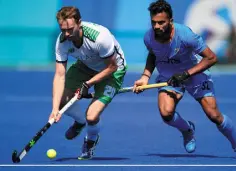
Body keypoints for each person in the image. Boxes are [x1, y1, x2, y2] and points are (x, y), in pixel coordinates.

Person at [133, 0, 236, 153]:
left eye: (161, 22)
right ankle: (187, 130)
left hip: (194, 72)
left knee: (214, 115)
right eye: (153, 22)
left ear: (171, 21)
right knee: (166, 113)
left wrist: (186, 74)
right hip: (170, 77)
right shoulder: (149, 37)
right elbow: (153, 55)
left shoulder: (186, 35)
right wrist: (145, 77)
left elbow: (211, 58)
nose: (156, 27)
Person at [49, 6, 127, 159]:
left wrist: (88, 84)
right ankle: (79, 121)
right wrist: (54, 109)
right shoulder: (62, 41)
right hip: (86, 65)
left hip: (112, 70)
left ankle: (90, 141)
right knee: (60, 101)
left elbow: (112, 67)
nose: (66, 34)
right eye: (63, 29)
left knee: (92, 116)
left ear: (80, 23)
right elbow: (59, 75)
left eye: (70, 29)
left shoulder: (99, 37)